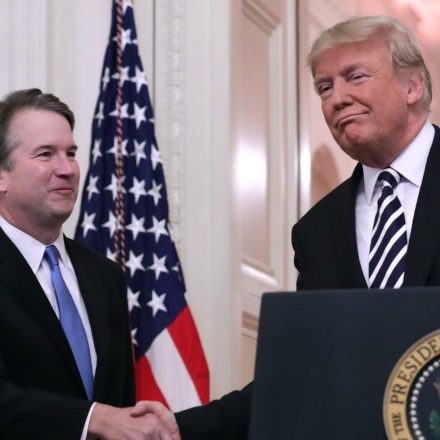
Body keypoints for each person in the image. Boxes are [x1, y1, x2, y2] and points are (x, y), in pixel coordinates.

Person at [156, 14, 440, 439]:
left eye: (354, 77)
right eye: (325, 87)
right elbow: (302, 371)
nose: (337, 98)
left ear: (413, 86)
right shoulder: (317, 231)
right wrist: (176, 429)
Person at [0, 88, 180, 440]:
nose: (66, 169)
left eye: (71, 153)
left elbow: (121, 406)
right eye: (45, 154)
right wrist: (91, 419)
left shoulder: (106, 277)